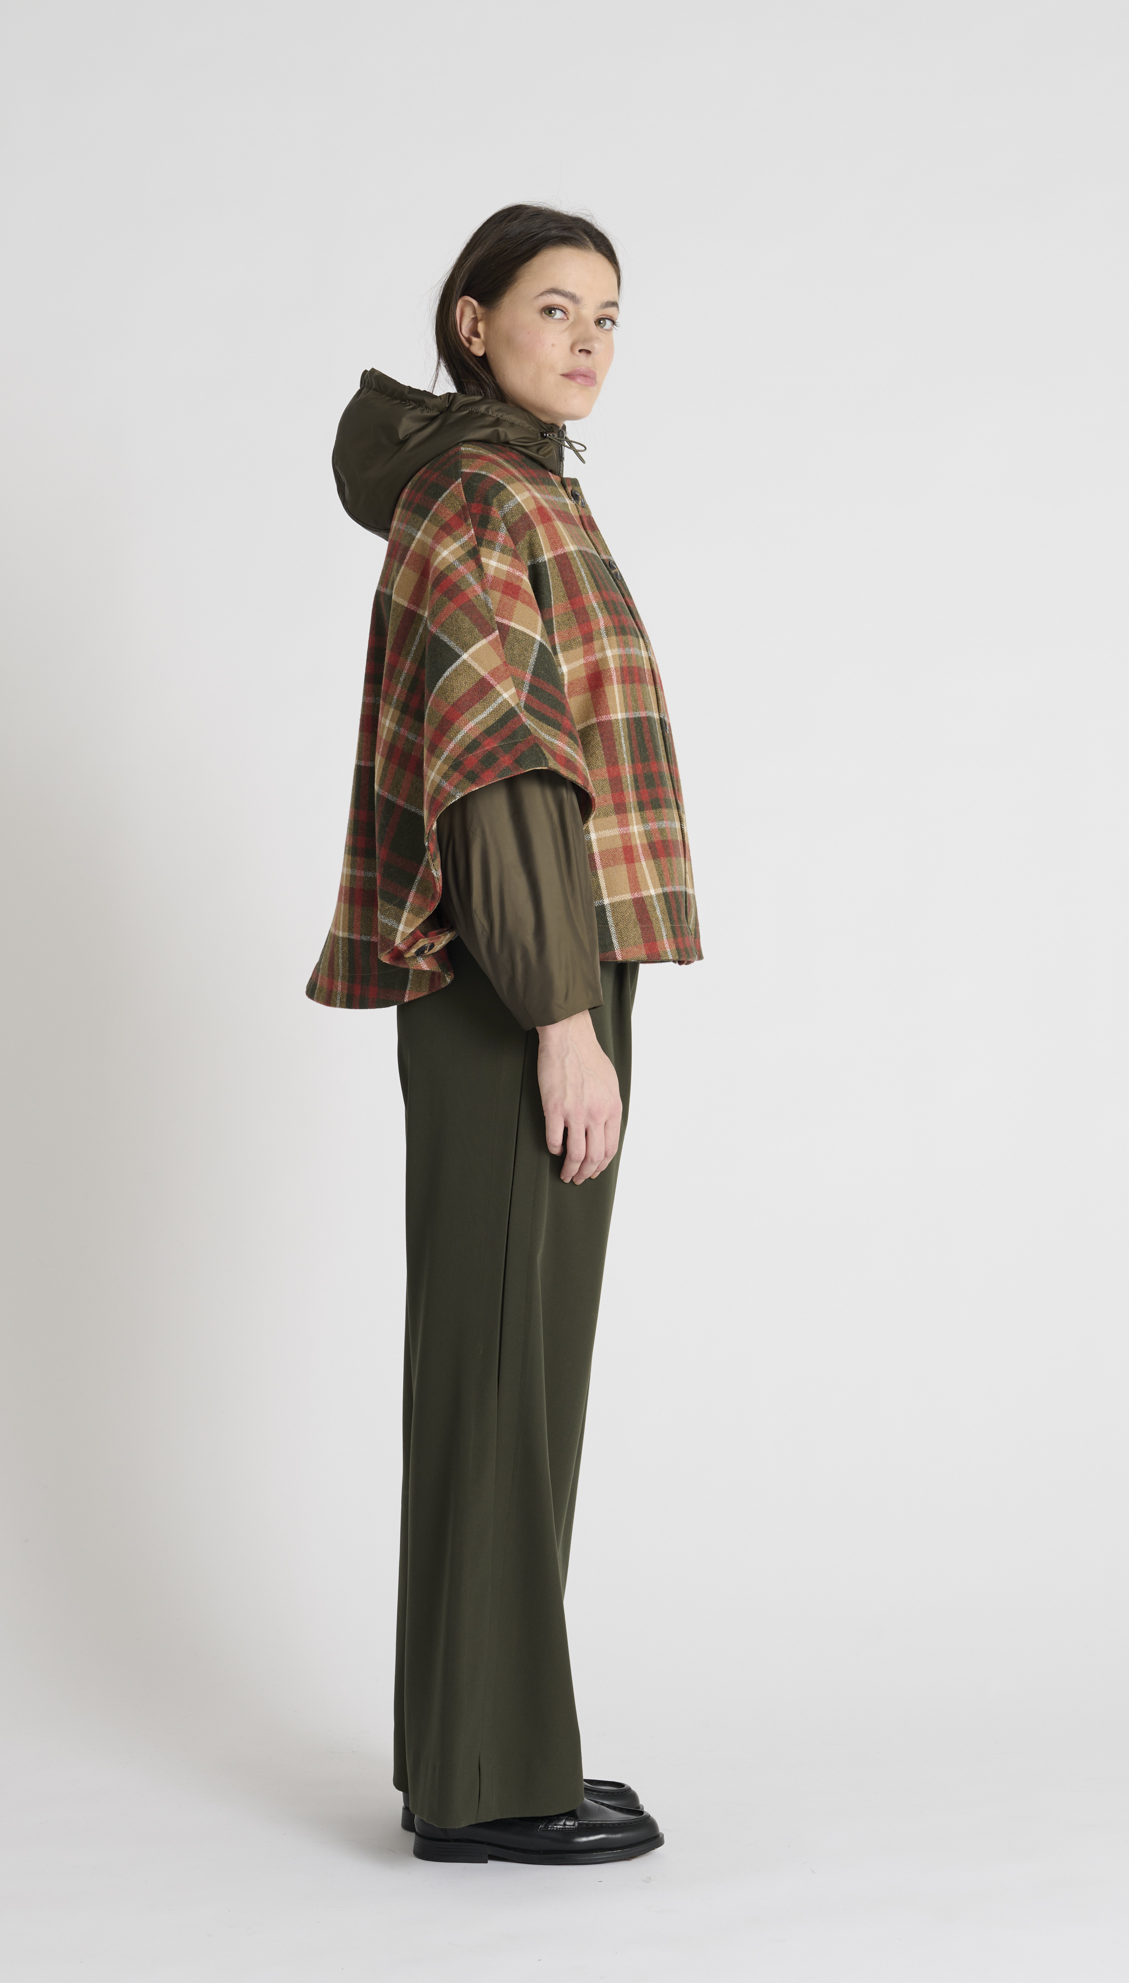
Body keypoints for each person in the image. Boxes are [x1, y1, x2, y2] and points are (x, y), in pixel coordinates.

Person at [308, 204, 701, 1866]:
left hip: (542, 972)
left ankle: (488, 1744)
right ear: (471, 322)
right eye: (556, 308)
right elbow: (499, 765)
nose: (590, 340)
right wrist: (560, 1013)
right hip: (517, 983)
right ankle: (485, 1780)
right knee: (496, 1363)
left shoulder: (522, 488)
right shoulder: (481, 496)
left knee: (514, 1364)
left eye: (609, 314)